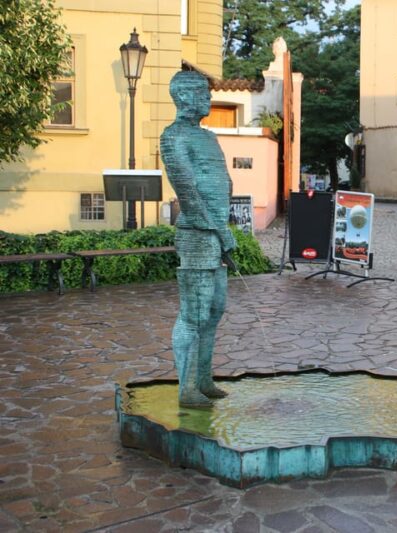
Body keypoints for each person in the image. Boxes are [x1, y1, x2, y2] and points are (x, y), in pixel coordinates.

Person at [160, 70, 237, 407]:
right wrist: (221, 231)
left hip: (216, 232)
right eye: (203, 92)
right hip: (197, 234)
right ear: (185, 96)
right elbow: (188, 193)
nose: (208, 98)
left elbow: (221, 181)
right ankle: (186, 389)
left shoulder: (208, 137)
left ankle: (203, 379)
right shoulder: (172, 136)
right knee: (194, 312)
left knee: (215, 309)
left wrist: (224, 228)